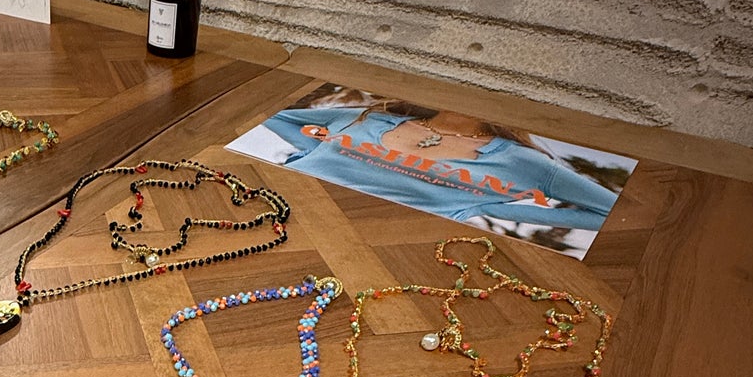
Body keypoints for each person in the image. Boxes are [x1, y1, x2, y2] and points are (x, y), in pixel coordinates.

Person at [257, 94, 619, 234]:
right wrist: (315, 152)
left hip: (373, 236)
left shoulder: (519, 160)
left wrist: (491, 207)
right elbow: (277, 117)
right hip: (274, 203)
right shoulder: (375, 118)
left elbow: (611, 212)